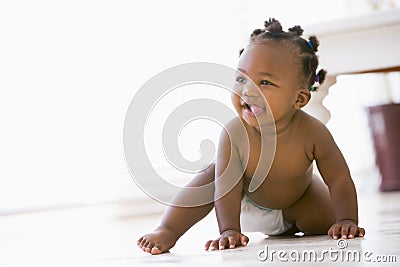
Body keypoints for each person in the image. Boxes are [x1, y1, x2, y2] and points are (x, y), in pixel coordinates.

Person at [137, 18, 365, 255]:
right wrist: (229, 230)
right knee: (211, 176)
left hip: (296, 205)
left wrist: (347, 220)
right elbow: (227, 189)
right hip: (241, 203)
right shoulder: (235, 134)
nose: (247, 91)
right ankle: (168, 229)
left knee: (328, 217)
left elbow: (338, 178)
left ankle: (290, 229)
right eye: (241, 79)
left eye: (264, 82)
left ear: (299, 99)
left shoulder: (314, 133)